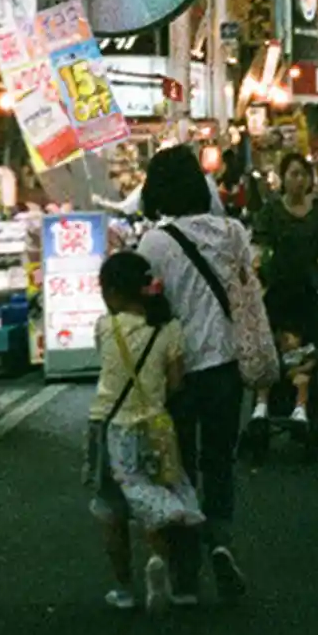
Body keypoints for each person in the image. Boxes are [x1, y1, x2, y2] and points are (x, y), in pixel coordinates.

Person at [134, 144, 263, 600]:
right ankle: (222, 544)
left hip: (177, 371)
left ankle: (186, 574)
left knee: (180, 467)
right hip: (226, 365)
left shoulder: (153, 242)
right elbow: (248, 289)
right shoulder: (232, 233)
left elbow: (146, 306)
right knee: (220, 462)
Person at [89, 251, 204, 614]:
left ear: (111, 291)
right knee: (155, 487)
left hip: (109, 426)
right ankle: (162, 561)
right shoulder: (170, 330)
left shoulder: (105, 327)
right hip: (156, 426)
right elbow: (175, 382)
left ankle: (124, 591)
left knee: (112, 508)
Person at [248, 154, 318, 458]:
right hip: (277, 289)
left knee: (314, 351)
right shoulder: (271, 211)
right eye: (293, 174)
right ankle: (261, 409)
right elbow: (258, 242)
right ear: (283, 177)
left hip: (310, 291)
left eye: (303, 174)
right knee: (270, 349)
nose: (298, 180)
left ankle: (309, 409)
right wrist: (257, 261)